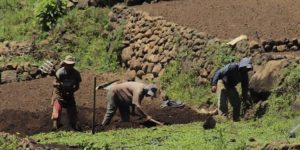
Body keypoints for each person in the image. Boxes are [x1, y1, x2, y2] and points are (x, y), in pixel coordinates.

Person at [51, 55, 82, 131]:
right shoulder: (60, 72)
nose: (69, 66)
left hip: (70, 92)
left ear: (73, 65)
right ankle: (55, 126)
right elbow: (54, 83)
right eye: (68, 65)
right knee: (57, 108)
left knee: (72, 110)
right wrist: (59, 85)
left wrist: (71, 91)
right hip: (59, 92)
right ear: (65, 64)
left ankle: (75, 126)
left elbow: (77, 86)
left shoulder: (76, 74)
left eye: (71, 65)